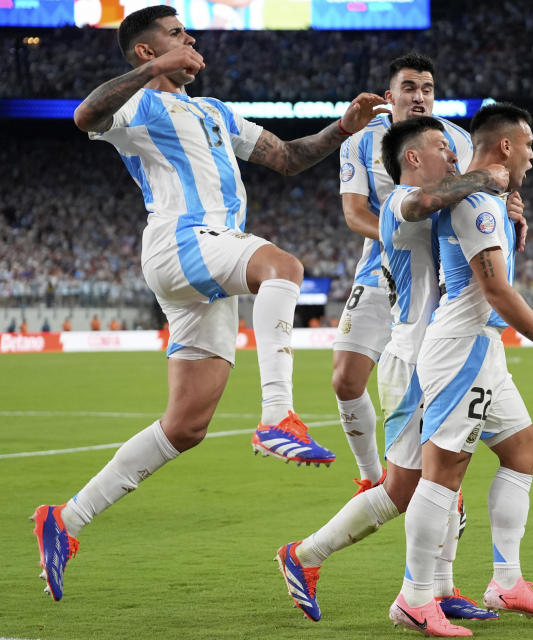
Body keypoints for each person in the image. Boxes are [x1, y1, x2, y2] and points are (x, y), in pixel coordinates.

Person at [29, 5, 388, 602]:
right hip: (181, 239)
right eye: (174, 35)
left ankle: (65, 521)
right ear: (147, 52)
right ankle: (277, 416)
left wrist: (342, 128)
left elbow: (289, 157)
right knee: (285, 267)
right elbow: (83, 114)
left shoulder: (215, 112)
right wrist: (157, 70)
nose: (188, 40)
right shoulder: (138, 104)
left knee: (187, 425)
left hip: (205, 261)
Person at [275, 116, 508, 623]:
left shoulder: (436, 207)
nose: (453, 155)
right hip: (411, 361)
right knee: (404, 489)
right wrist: (483, 178)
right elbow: (427, 201)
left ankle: (441, 590)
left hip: (442, 354)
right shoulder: (402, 202)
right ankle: (305, 555)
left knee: (450, 473)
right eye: (442, 147)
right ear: (413, 158)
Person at [389, 103, 533, 637]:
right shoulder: (475, 201)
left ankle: (506, 580)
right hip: (460, 348)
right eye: (527, 145)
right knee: (443, 473)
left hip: (483, 349)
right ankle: (414, 597)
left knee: (523, 452)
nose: (532, 155)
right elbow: (495, 291)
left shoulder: (486, 199)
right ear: (505, 146)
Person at [333, 52, 526, 495]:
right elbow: (354, 212)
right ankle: (370, 476)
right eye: (409, 88)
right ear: (389, 96)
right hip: (378, 269)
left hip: (436, 277)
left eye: (427, 89)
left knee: (430, 376)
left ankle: (435, 485)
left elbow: (488, 194)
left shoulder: (454, 139)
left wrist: (514, 211)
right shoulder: (361, 141)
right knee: (344, 378)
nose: (419, 97)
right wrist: (398, 233)